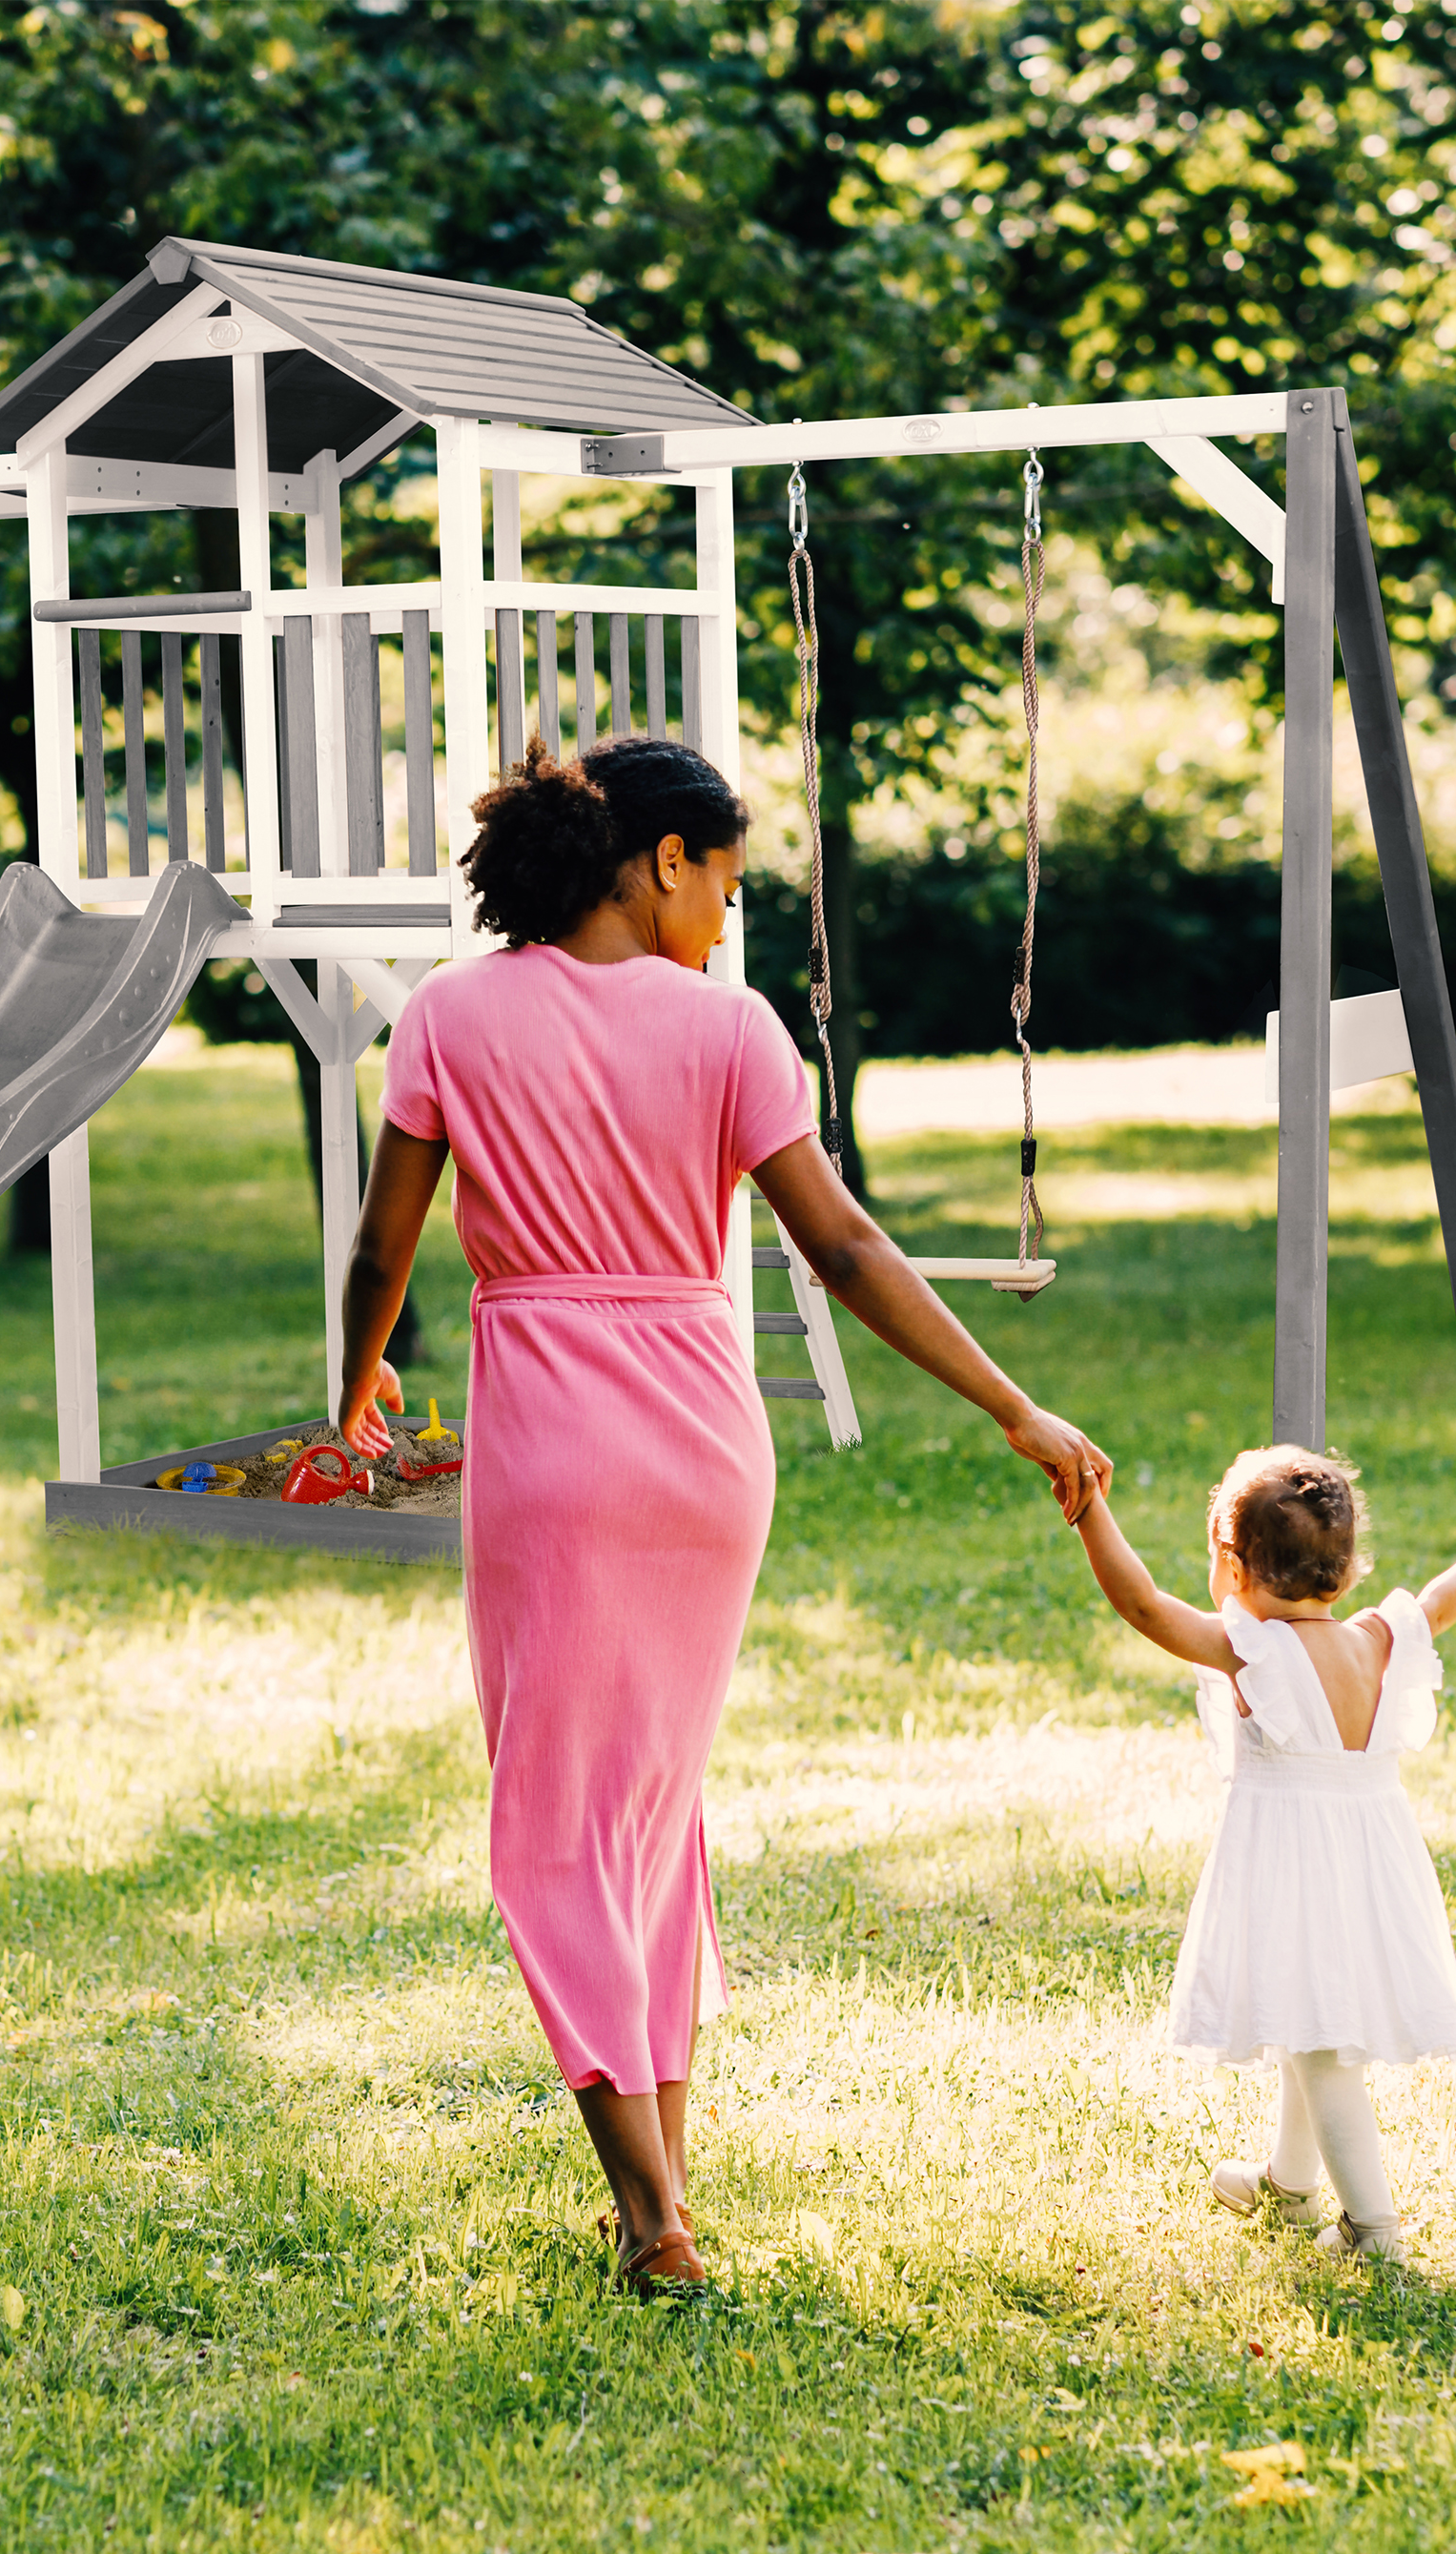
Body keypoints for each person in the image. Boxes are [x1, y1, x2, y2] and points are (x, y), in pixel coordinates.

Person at [335, 737, 1110, 2295]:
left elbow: (384, 1249)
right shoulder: (732, 1031)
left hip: (551, 1445)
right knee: (648, 1813)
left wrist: (351, 1391)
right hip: (702, 1447)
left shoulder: (449, 1016)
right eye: (727, 886)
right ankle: (663, 2188)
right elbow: (846, 1249)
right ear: (661, 860)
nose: (726, 921)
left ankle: (648, 2216)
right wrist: (1011, 1403)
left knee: (559, 1826)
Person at [1067, 1442, 1456, 2258]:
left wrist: (1089, 1510)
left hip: (1295, 1871)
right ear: (1347, 1572)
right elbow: (1442, 1598)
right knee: (1303, 2018)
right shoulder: (1380, 1638)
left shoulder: (1253, 1651)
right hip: (1370, 1867)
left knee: (1321, 2050)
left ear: (1233, 1567)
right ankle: (1289, 2185)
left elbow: (1142, 1605)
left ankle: (1373, 2230)